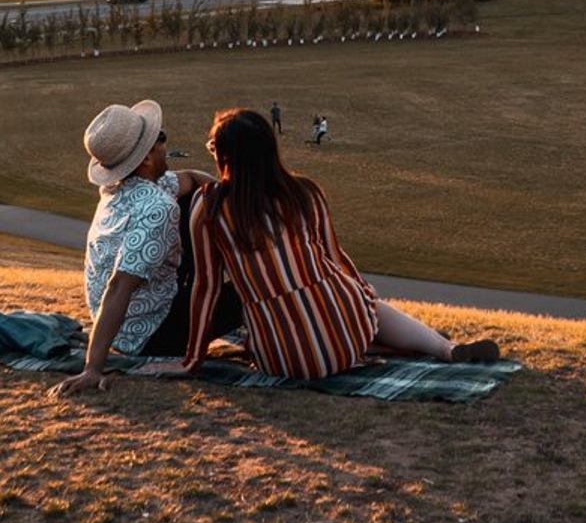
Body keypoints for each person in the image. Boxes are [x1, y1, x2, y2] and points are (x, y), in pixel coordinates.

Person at [181, 108, 497, 380]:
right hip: (347, 339)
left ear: (224, 156)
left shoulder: (209, 208)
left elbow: (206, 287)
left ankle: (360, 339)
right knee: (362, 302)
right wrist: (363, 297)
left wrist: (192, 360)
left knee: (295, 323)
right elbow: (335, 260)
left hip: (280, 360)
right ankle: (443, 348)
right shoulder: (303, 193)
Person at [53, 100, 243, 397]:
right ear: (146, 159)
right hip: (150, 334)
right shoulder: (158, 208)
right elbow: (118, 287)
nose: (166, 144)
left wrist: (230, 200)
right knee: (247, 293)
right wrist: (93, 368)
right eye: (160, 139)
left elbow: (192, 179)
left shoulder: (118, 188)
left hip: (133, 319)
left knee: (195, 201)